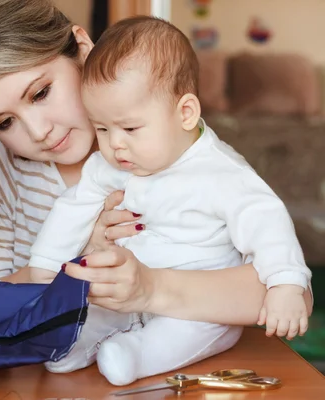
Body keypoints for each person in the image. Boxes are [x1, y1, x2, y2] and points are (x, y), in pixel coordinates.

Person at [0, 0, 313, 346]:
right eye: (4, 122)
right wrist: (77, 258)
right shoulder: (0, 173)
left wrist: (150, 288)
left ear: (82, 47)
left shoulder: (171, 150)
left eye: (40, 93)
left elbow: (290, 291)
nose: (37, 131)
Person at [26, 16, 311, 386]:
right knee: (92, 313)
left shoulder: (221, 174)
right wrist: (45, 267)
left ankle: (136, 356)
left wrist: (286, 284)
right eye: (102, 128)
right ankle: (80, 343)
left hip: (197, 305)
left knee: (183, 333)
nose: (114, 144)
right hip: (129, 294)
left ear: (185, 113)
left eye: (129, 128)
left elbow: (267, 223)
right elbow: (73, 207)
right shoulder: (111, 163)